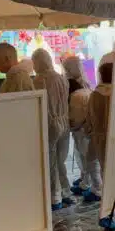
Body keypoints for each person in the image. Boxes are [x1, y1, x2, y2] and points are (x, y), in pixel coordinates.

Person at [32, 48, 74, 210]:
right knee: (61, 160)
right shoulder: (61, 78)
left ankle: (55, 197)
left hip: (50, 123)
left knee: (51, 162)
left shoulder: (39, 80)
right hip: (65, 121)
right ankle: (66, 192)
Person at [85, 62, 115, 230]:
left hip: (99, 137)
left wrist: (90, 131)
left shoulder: (95, 94)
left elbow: (89, 117)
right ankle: (113, 209)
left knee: (105, 171)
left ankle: (110, 209)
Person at [62, 56, 102, 202]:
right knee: (85, 156)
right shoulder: (86, 82)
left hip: (81, 126)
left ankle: (94, 186)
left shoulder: (69, 84)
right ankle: (86, 182)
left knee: (87, 157)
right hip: (87, 125)